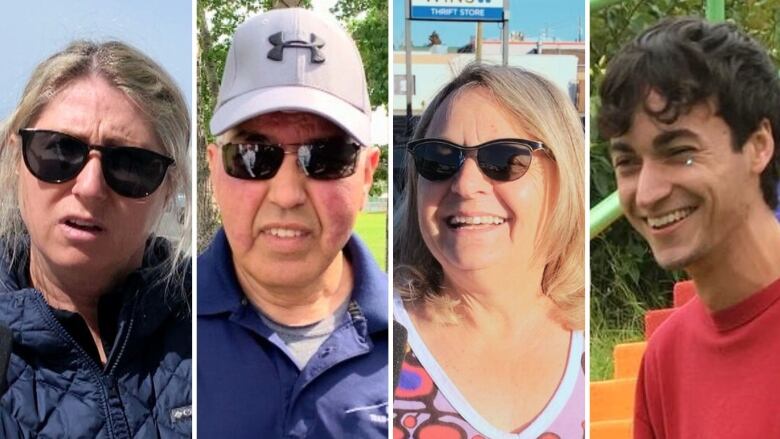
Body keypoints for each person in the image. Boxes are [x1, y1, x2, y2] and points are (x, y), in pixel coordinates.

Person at [197, 8, 387, 438]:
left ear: (366, 175)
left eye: (326, 158)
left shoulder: (420, 339)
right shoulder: (158, 328)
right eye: (251, 156)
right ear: (214, 169)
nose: (286, 194)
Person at [599, 17, 780, 438]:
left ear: (758, 146)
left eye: (679, 152)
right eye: (628, 162)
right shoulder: (666, 357)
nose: (647, 193)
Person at [0, 40, 192, 437]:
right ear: (17, 159)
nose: (89, 187)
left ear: (168, 187)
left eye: (129, 165)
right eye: (58, 151)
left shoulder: (213, 319)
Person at [393, 64, 585, 438]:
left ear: (565, 174)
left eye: (503, 160)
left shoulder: (594, 345)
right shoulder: (377, 344)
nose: (465, 185)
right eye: (439, 158)